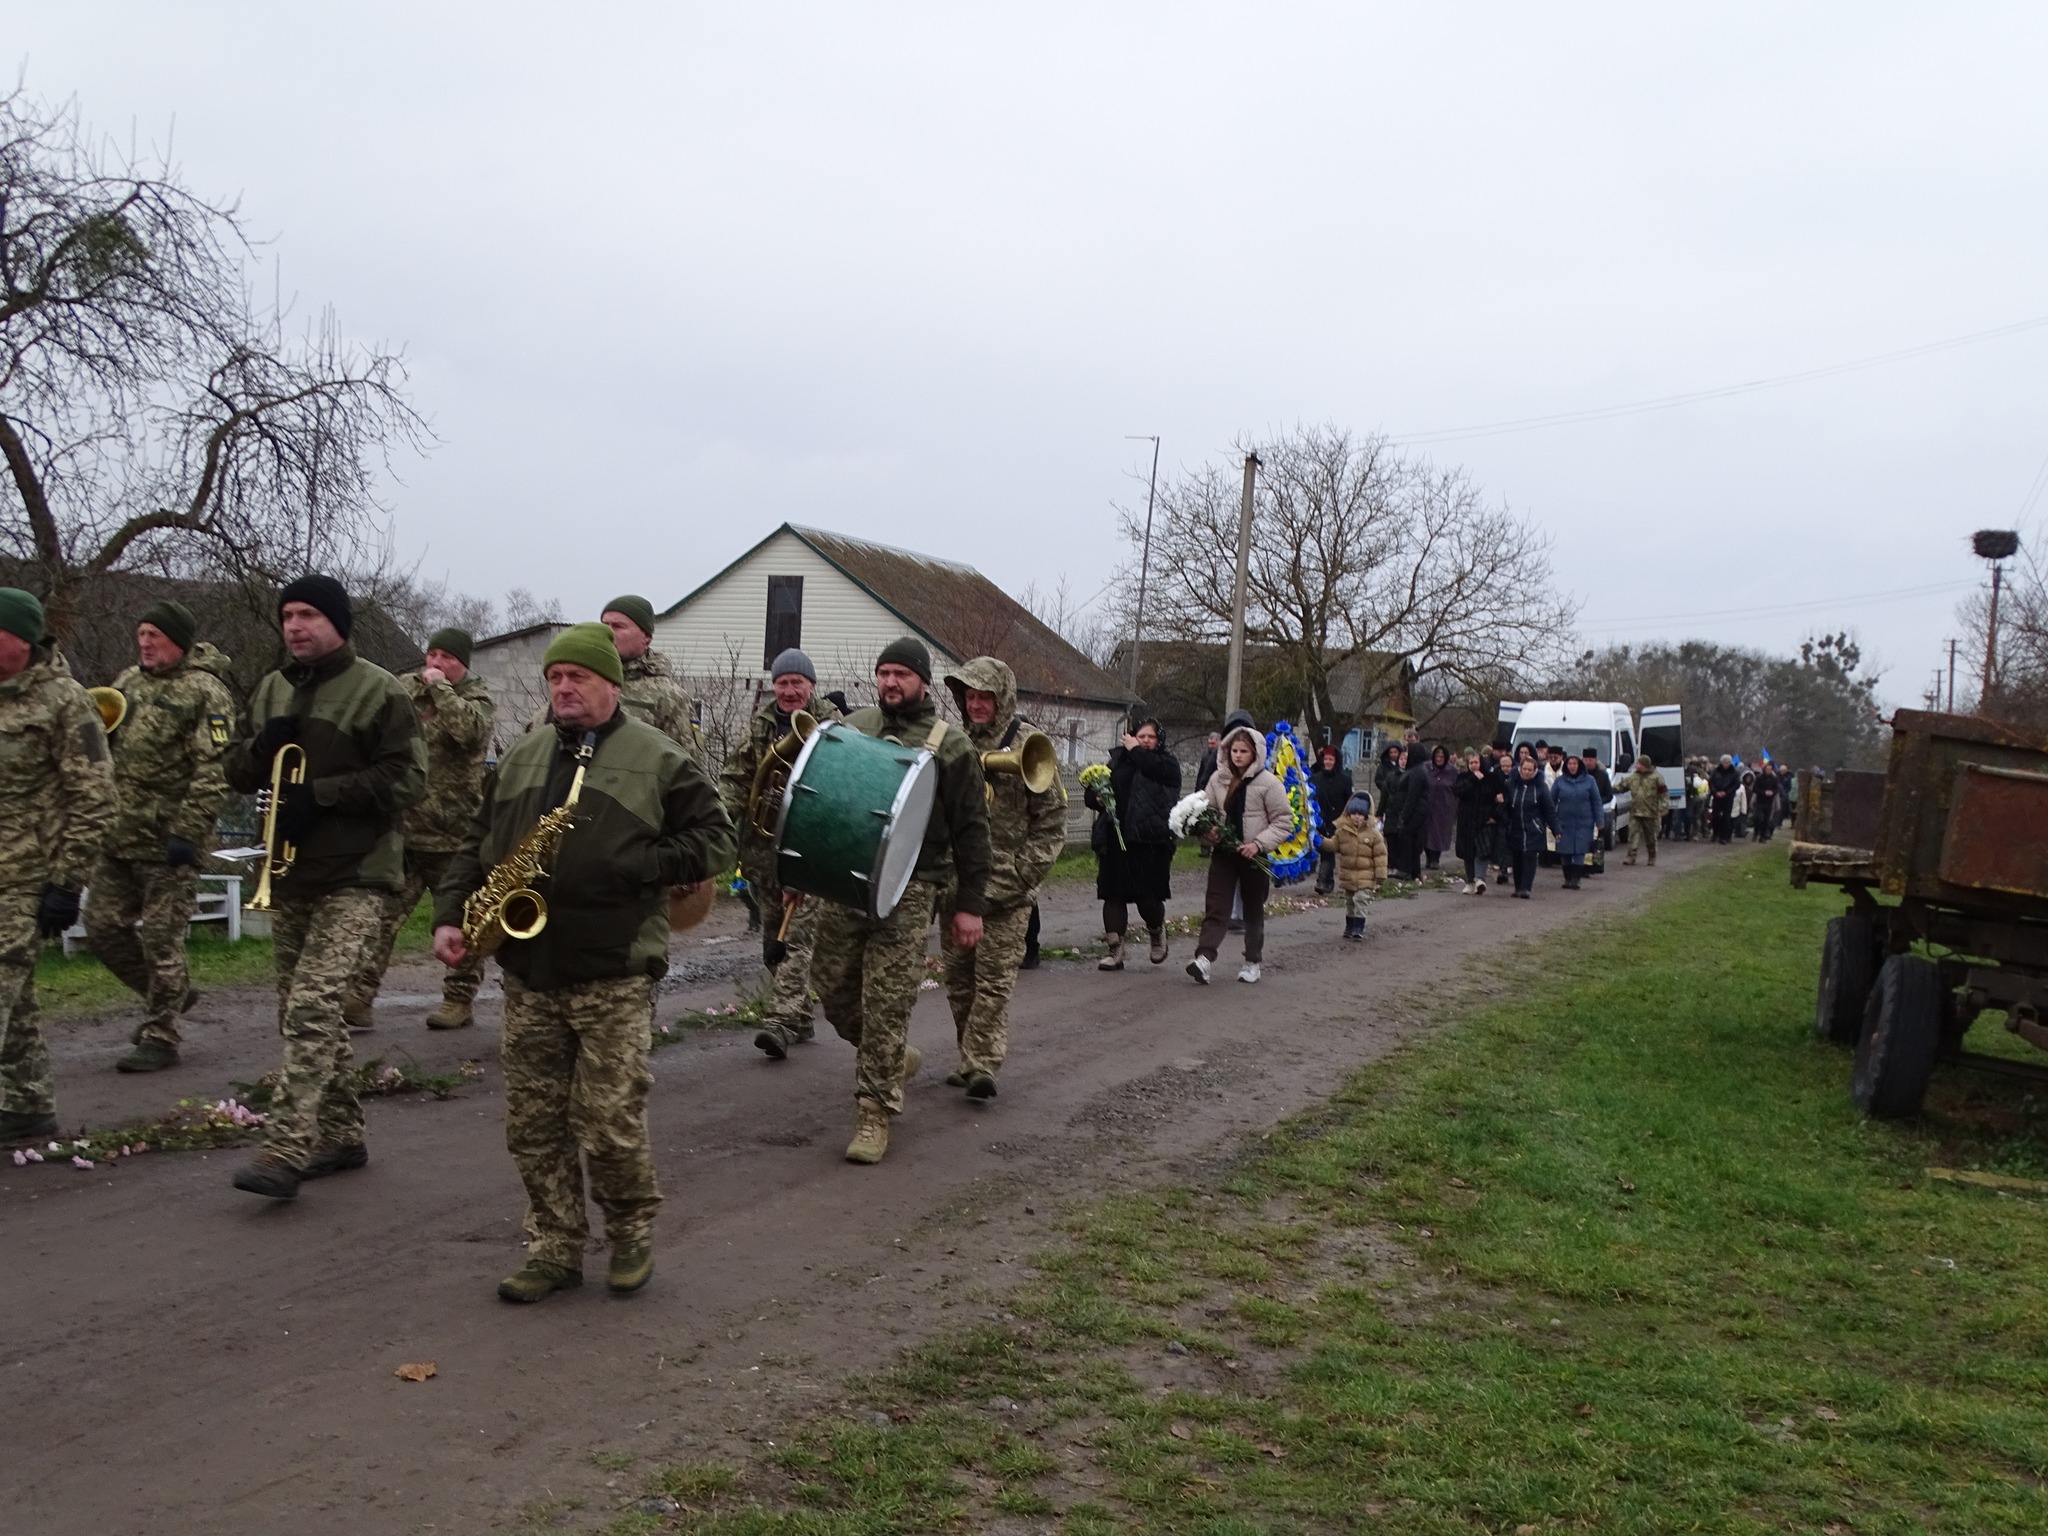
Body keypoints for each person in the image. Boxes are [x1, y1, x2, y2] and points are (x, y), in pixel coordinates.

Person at [434, 623, 734, 1302]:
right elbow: (476, 842)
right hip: (529, 971)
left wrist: (640, 866)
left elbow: (717, 839)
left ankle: (629, 1234)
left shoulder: (657, 758)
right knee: (534, 1126)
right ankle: (554, 1247)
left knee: (608, 1120)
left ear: (611, 684)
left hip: (615, 969)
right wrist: (450, 914)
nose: (563, 688)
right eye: (555, 678)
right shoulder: (524, 756)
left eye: (578, 677)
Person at [222, 575, 426, 1200]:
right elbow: (232, 767)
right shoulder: (271, 688)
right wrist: (263, 747)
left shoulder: (378, 690)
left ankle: (286, 1146)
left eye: (309, 614)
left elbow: (409, 780)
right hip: (289, 872)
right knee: (301, 1012)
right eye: (287, 615)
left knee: (312, 1004)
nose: (295, 626)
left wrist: (324, 795)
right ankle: (342, 1135)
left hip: (359, 873)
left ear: (338, 622)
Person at [810, 638, 992, 1165]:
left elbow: (973, 833)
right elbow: (824, 802)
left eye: (901, 674)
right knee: (833, 989)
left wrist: (970, 905)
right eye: (884, 672)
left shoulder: (950, 745)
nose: (890, 682)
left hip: (912, 889)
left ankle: (874, 1112)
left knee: (888, 1003)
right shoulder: (856, 728)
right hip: (846, 877)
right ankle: (890, 1056)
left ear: (922, 681)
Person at [85, 600, 237, 1073]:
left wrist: (188, 831)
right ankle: (169, 995)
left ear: (180, 642)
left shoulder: (207, 692)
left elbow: (214, 769)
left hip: (169, 840)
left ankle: (160, 1035)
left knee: (161, 940)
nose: (146, 643)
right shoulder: (127, 681)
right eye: (142, 633)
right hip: (118, 834)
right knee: (102, 926)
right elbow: (103, 742)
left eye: (156, 635)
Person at [0, 589, 117, 1144]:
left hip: (26, 877)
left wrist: (68, 882)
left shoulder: (65, 701)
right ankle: (26, 1106)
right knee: (14, 998)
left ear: (22, 639)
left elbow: (94, 797)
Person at [346, 627, 495, 1033]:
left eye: (446, 657)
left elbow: (469, 734)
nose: (435, 663)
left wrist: (442, 691)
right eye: (431, 655)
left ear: (463, 664)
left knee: (465, 923)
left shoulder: (477, 698)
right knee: (382, 919)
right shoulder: (405, 690)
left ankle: (457, 1000)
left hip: (454, 836)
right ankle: (358, 997)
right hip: (404, 831)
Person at [939, 657, 1067, 1100]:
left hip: (1008, 893)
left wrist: (1021, 874)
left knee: (993, 983)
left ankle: (982, 1064)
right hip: (956, 887)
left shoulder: (1032, 745)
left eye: (984, 697)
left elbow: (1052, 824)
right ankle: (968, 1054)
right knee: (958, 981)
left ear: (1002, 699)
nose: (975, 705)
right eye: (969, 697)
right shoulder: (952, 742)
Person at [719, 648, 841, 1059]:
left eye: (797, 683)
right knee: (774, 939)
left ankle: (781, 1021)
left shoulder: (835, 726)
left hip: (812, 851)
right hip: (765, 853)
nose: (789, 691)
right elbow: (737, 778)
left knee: (798, 938)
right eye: (782, 683)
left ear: (811, 685)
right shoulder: (760, 725)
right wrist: (717, 820)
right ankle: (802, 1015)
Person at [1187, 721, 1291, 984]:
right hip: (1224, 854)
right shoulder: (1218, 779)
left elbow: (1283, 821)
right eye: (1234, 750)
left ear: (1255, 752)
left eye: (1243, 751)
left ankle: (1252, 961)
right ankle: (1204, 959)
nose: (1238, 755)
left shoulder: (1269, 783)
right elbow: (1205, 812)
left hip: (1254, 857)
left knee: (1253, 910)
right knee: (1216, 907)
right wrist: (1208, 832)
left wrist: (1258, 844)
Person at [1088, 717, 1181, 969]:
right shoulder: (1119, 761)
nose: (1147, 741)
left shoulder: (1166, 763)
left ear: (1159, 740)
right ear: (1132, 736)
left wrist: (1135, 749)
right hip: (1116, 838)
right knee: (1113, 894)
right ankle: (1115, 951)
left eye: (1151, 737)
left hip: (1151, 841)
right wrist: (1096, 795)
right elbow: (1099, 787)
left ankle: (1156, 931)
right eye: (1142, 736)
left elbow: (1152, 767)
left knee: (1147, 897)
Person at [1331, 791, 1387, 940]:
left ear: (1366, 815)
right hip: (1348, 874)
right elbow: (1333, 845)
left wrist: (1380, 876)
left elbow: (1380, 856)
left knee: (1360, 899)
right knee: (1349, 901)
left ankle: (1358, 928)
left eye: (1360, 814)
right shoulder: (1342, 832)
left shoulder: (1374, 834)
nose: (1357, 817)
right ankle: (1349, 926)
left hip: (1366, 876)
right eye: (1353, 813)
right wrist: (1318, 840)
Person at [1500, 754, 1554, 899]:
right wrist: (1505, 821)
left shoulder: (1541, 787)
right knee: (1517, 858)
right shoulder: (1511, 785)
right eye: (1525, 769)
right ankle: (1518, 887)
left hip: (1533, 827)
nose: (1527, 772)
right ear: (1520, 769)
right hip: (1515, 826)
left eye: (1530, 770)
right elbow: (1504, 805)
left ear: (1535, 771)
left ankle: (1526, 888)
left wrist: (1556, 829)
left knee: (1529, 858)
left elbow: (1549, 809)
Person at [1551, 753, 1604, 890]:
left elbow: (1596, 802)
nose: (1572, 766)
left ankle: (1576, 879)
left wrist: (1600, 821)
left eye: (1575, 764)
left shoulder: (1590, 781)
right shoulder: (1560, 781)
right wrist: (1551, 820)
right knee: (1565, 851)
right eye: (1570, 764)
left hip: (1584, 823)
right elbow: (1551, 801)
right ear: (1566, 766)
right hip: (1564, 822)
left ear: (1579, 765)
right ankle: (1567, 878)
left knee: (1580, 851)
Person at [1452, 751, 1502, 894]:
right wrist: (1473, 779)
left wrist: (1495, 816)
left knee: (1483, 850)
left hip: (1485, 820)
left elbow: (1502, 798)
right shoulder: (1463, 778)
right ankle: (1470, 881)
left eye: (1476, 762)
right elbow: (1457, 791)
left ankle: (1479, 878)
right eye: (1471, 763)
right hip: (1466, 820)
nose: (1474, 765)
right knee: (1468, 852)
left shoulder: (1491, 778)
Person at [1308, 744, 1352, 895]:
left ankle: (1323, 881)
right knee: (1323, 849)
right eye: (1326, 759)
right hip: (1318, 819)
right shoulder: (1315, 779)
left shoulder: (1345, 780)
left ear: (1336, 761)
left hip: (1336, 821)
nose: (1328, 762)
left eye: (1331, 759)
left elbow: (1349, 802)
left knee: (1329, 850)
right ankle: (1326, 881)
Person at [1615, 754, 1667, 867]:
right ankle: (1631, 857)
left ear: (1644, 765)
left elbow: (1664, 794)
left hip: (1651, 812)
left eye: (1638, 763)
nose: (1636, 765)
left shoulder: (1657, 778)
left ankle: (1652, 856)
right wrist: (1608, 788)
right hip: (1635, 811)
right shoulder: (1633, 777)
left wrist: (1663, 808)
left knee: (1651, 837)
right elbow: (1621, 787)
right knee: (1633, 835)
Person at [1423, 744, 1459, 871]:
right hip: (1427, 806)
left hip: (1444, 807)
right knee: (1427, 834)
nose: (1439, 758)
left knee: (1439, 834)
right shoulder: (1427, 768)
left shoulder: (1452, 771)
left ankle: (1435, 859)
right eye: (1437, 756)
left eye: (1442, 756)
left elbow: (1456, 789)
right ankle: (1428, 857)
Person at [1581, 744, 1614, 876]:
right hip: (1582, 812)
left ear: (1596, 760)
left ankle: (1594, 865)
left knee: (1595, 841)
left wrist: (1598, 801)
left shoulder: (1602, 775)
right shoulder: (1580, 775)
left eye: (1591, 760)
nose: (1588, 763)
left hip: (1596, 813)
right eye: (1586, 760)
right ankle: (1582, 866)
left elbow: (1609, 795)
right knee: (1583, 840)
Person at [1708, 755, 1740, 844]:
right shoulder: (1715, 771)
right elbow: (1711, 783)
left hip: (1728, 797)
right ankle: (1715, 833)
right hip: (1717, 796)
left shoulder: (1734, 772)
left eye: (1728, 762)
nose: (1726, 763)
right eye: (1724, 762)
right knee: (1715, 816)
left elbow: (1736, 785)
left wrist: (1726, 792)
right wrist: (1716, 792)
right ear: (1721, 762)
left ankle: (1724, 836)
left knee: (1726, 817)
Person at [1752, 762, 1781, 843]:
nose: (1769, 771)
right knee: (1758, 818)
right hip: (1760, 801)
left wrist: (1772, 792)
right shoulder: (1759, 778)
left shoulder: (1774, 779)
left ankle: (1762, 836)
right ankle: (1756, 832)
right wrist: (1764, 792)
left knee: (1766, 820)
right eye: (1767, 769)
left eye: (1770, 769)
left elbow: (1776, 789)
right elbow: (1755, 789)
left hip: (1769, 801)